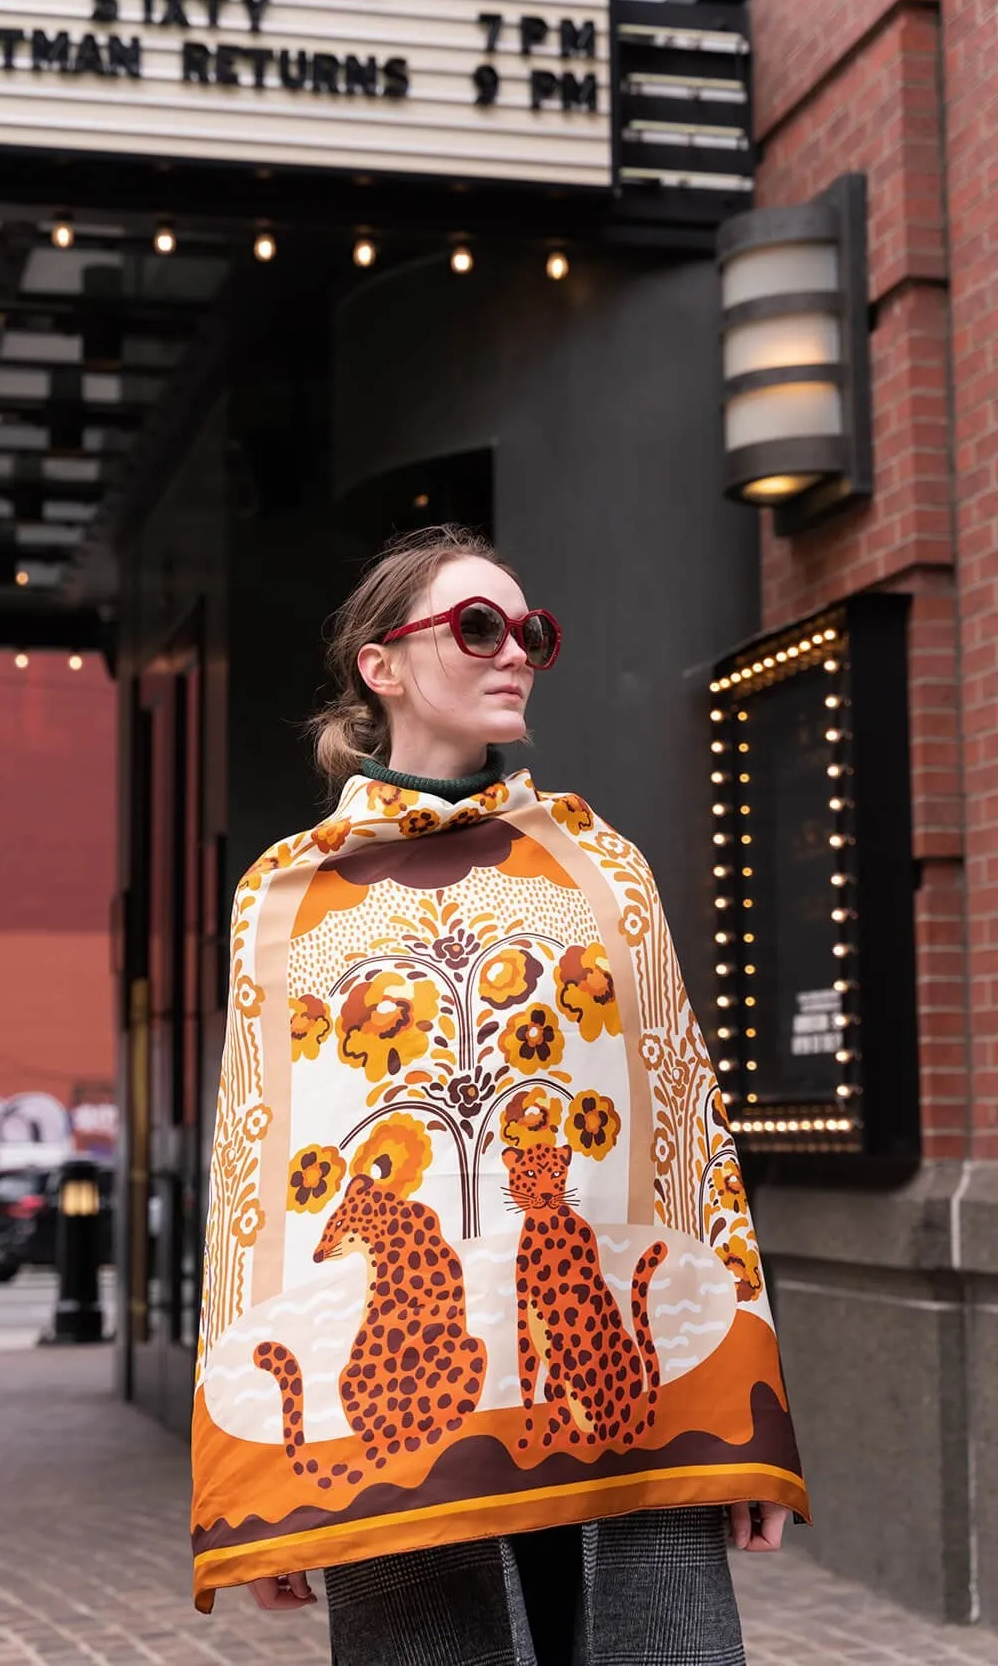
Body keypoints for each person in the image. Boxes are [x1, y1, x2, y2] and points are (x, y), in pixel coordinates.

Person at [190, 526, 807, 1665]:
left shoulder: (599, 868)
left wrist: (742, 1419)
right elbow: (255, 1187)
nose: (513, 649)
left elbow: (684, 1144)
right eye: (479, 625)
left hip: (614, 1405)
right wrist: (258, 1493)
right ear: (383, 665)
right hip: (408, 1424)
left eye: (532, 630)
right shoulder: (290, 898)